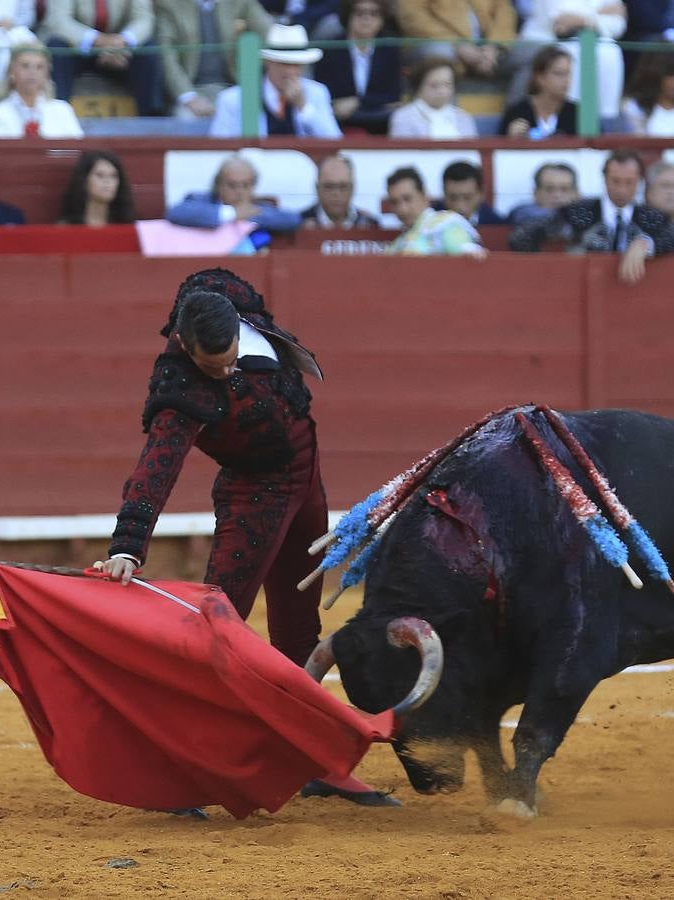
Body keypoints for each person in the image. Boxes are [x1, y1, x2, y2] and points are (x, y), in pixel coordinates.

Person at [94, 268, 399, 808]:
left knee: (299, 622)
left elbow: (216, 282)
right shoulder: (180, 384)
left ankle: (313, 761)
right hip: (254, 496)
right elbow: (156, 467)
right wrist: (127, 544)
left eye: (232, 355)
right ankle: (179, 767)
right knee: (215, 628)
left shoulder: (229, 301)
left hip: (307, 481)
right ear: (187, 348)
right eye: (216, 367)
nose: (229, 369)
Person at [510, 149, 674, 285]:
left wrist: (646, 244)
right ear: (604, 179)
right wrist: (550, 268)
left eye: (629, 182)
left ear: (639, 182)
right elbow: (522, 236)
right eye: (615, 181)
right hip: (578, 291)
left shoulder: (650, 217)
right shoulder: (579, 211)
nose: (621, 189)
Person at [210, 24, 342, 138]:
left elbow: (334, 141)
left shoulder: (317, 93)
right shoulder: (232, 99)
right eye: (284, 63)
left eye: (296, 64)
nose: (290, 72)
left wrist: (303, 107)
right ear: (268, 63)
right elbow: (220, 148)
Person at [43, 0, 163, 117]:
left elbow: (144, 18)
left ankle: (151, 118)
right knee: (57, 45)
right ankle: (58, 116)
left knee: (149, 50)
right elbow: (59, 20)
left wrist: (123, 41)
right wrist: (98, 40)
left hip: (121, 50)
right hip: (80, 46)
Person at [158, 0, 272, 120]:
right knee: (186, 121)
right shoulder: (170, 5)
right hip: (193, 89)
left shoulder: (242, 3)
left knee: (252, 118)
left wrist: (251, 81)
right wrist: (189, 97)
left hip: (235, 88)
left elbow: (269, 36)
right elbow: (166, 56)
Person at [514, 0, 627, 119]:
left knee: (610, 50)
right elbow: (561, 21)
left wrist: (581, 20)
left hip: (596, 44)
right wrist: (600, 15)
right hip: (547, 42)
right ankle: (570, 118)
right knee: (575, 52)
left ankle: (606, 120)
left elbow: (618, 25)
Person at [312, 0, 402, 135]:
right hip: (339, 120)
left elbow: (393, 95)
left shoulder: (389, 50)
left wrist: (359, 102)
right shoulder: (331, 49)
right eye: (359, 13)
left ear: (382, 19)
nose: (366, 19)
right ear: (348, 16)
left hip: (379, 119)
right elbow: (323, 90)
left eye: (374, 14)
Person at [166, 156, 303, 237]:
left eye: (246, 185)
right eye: (232, 185)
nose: (240, 192)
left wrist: (250, 215)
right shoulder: (201, 200)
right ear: (218, 185)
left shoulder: (258, 208)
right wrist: (231, 213)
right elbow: (176, 212)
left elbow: (293, 219)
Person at [397, 0, 518, 85]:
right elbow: (413, 18)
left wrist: (493, 46)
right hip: (440, 43)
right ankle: (445, 121)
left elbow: (505, 10)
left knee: (532, 54)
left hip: (487, 50)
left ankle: (518, 120)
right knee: (440, 54)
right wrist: (457, 44)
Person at [0, 41, 85, 138]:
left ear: (47, 73)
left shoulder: (62, 109)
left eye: (39, 67)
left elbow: (78, 148)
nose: (32, 72)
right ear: (11, 71)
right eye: (25, 66)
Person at [384, 166, 488, 257]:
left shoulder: (445, 223)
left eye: (408, 199)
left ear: (425, 195)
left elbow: (464, 249)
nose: (402, 208)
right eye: (395, 202)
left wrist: (471, 251)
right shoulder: (398, 242)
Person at [387, 57, 477, 138]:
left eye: (447, 85)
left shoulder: (463, 118)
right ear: (418, 87)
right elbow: (403, 154)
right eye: (434, 85)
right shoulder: (403, 117)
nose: (442, 91)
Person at [500, 46, 579, 138]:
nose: (566, 80)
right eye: (558, 73)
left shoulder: (577, 114)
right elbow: (498, 148)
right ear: (540, 78)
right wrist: (510, 138)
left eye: (568, 74)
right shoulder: (517, 113)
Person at [58, 150, 136, 226]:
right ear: (84, 181)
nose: (107, 181)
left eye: (113, 176)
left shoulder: (130, 226)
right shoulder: (67, 227)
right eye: (100, 175)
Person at [300, 154, 380, 228]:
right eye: (329, 186)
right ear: (317, 188)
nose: (336, 193)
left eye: (343, 187)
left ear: (352, 188)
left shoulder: (370, 224)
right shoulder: (300, 223)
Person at [434, 160, 505, 225]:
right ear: (444, 193)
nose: (459, 206)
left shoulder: (495, 223)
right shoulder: (431, 219)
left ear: (481, 194)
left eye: (467, 198)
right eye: (453, 198)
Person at [507, 161, 580, 225]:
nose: (557, 195)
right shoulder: (522, 213)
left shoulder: (586, 214)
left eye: (564, 189)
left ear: (576, 194)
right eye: (549, 189)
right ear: (536, 193)